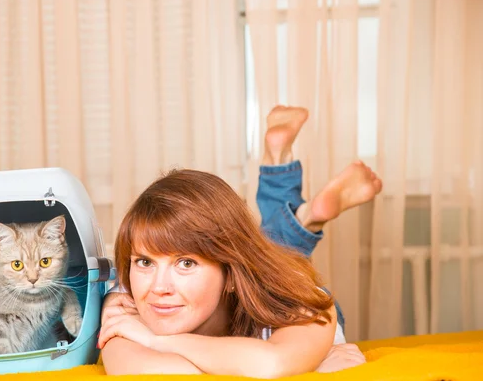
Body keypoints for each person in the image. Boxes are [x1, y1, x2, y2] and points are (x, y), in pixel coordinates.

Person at [99, 106, 382, 377]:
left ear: (231, 273)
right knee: (272, 244)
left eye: (186, 263)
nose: (159, 288)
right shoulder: (124, 299)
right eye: (145, 261)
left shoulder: (302, 304)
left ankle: (300, 206)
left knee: (279, 253)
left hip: (281, 287)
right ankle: (299, 206)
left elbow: (272, 364)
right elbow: (165, 373)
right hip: (254, 269)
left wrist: (154, 340)